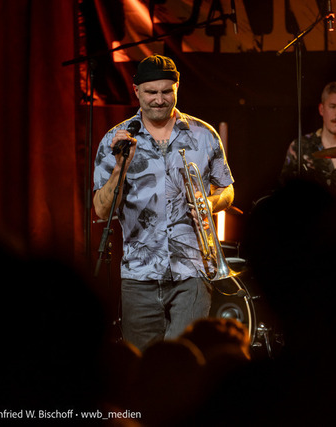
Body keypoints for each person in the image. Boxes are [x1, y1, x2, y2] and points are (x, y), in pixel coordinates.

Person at [93, 54, 235, 352]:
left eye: (166, 91)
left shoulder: (204, 135)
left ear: (177, 88)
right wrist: (120, 167)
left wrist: (209, 203)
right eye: (151, 92)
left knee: (186, 361)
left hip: (192, 272)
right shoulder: (115, 140)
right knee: (141, 366)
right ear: (136, 91)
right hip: (139, 276)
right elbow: (102, 210)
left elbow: (227, 190)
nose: (159, 99)